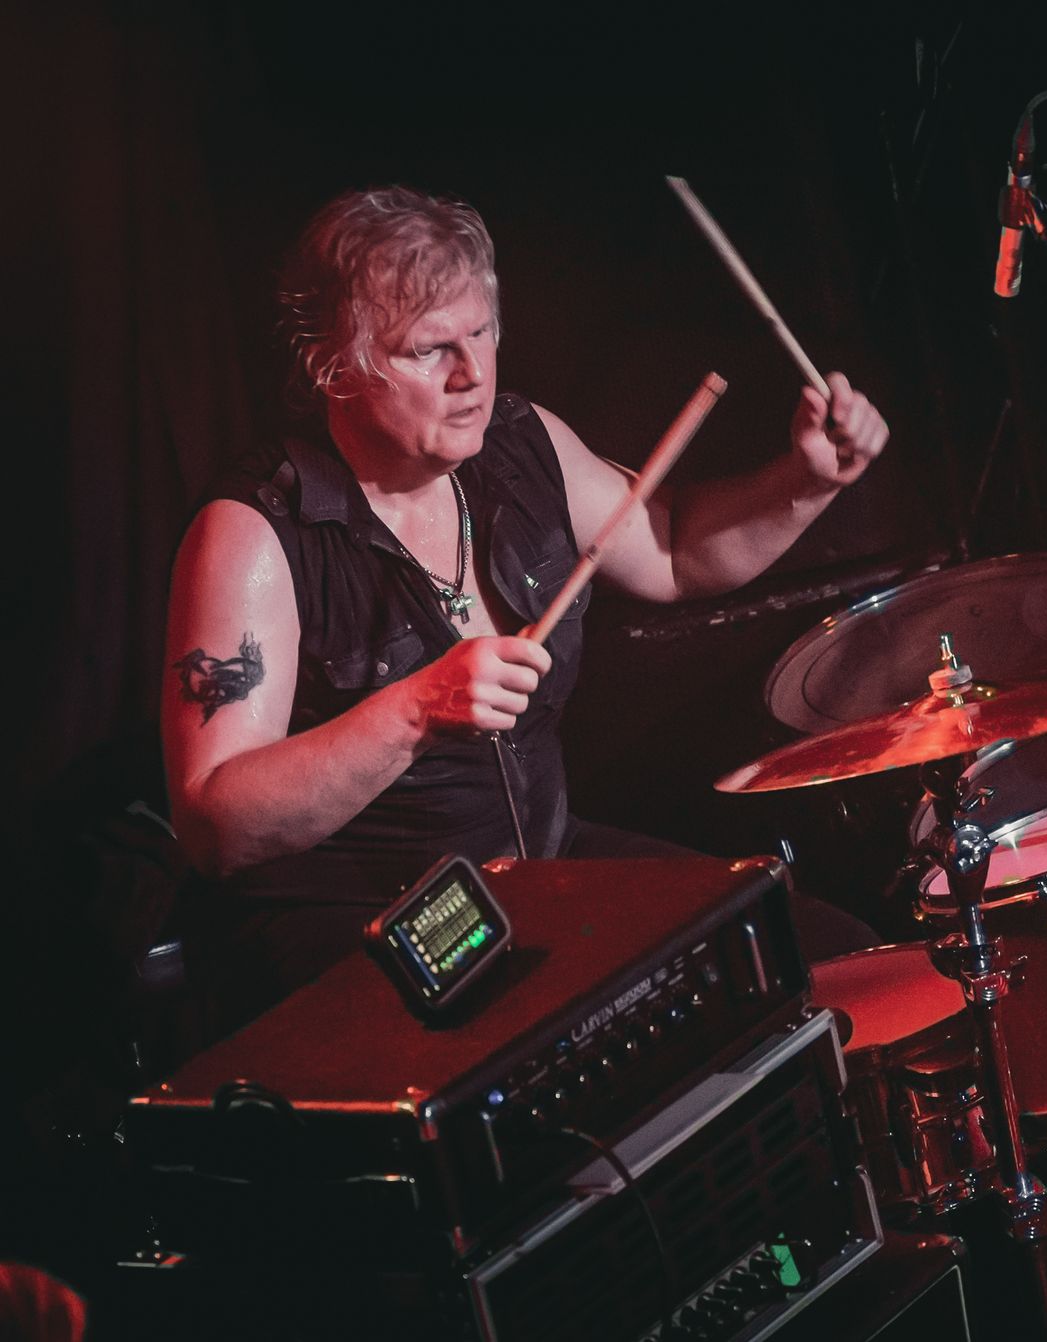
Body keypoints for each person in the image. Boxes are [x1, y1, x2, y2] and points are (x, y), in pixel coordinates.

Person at [161, 186, 889, 1023]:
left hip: (537, 871)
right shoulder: (257, 533)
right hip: (365, 918)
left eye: (480, 332)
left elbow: (677, 552)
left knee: (833, 959)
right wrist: (414, 711)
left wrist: (806, 482)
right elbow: (216, 821)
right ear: (333, 366)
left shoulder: (519, 445)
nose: (472, 374)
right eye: (429, 349)